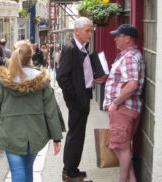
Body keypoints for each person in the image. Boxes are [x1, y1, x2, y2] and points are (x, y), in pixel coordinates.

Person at [0, 40, 64, 182]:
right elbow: (51, 110)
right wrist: (56, 136)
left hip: (10, 133)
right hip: (35, 133)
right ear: (31, 56)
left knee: (18, 173)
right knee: (27, 171)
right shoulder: (41, 80)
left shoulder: (4, 80)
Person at [56, 17, 105, 182]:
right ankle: (69, 173)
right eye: (87, 31)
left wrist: (94, 78)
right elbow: (62, 77)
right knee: (75, 135)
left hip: (83, 96)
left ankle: (72, 168)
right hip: (78, 99)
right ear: (76, 31)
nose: (90, 34)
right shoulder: (70, 48)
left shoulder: (81, 47)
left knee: (78, 135)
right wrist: (75, 98)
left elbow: (81, 72)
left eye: (91, 31)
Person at [103, 24, 145, 182]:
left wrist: (115, 103)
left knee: (121, 147)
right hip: (125, 108)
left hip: (123, 109)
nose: (115, 39)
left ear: (127, 38)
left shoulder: (129, 57)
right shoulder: (129, 55)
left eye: (118, 36)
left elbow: (132, 84)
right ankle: (132, 179)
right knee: (122, 146)